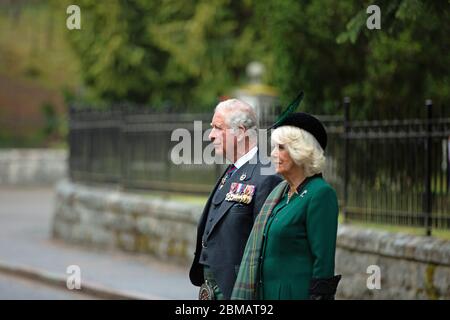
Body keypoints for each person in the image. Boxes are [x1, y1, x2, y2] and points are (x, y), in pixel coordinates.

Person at [232, 112, 341, 300]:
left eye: (281, 148)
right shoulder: (281, 194)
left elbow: (323, 264)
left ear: (301, 151)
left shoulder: (320, 194)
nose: (273, 154)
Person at [189, 99, 282, 300]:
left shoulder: (267, 176)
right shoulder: (233, 170)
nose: (211, 135)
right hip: (212, 287)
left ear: (240, 132)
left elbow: (266, 250)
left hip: (239, 290)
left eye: (218, 128)